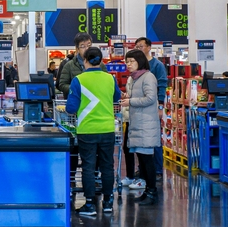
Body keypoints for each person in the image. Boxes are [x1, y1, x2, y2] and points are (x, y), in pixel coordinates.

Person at [66, 47, 121, 217]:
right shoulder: (110, 79)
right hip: (107, 129)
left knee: (88, 167)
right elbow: (116, 97)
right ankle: (108, 202)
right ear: (101, 61)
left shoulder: (78, 80)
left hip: (87, 130)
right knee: (107, 166)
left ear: (85, 61)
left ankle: (89, 204)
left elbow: (71, 108)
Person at [120, 50, 160, 206]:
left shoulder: (148, 77)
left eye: (132, 61)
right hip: (137, 123)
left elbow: (150, 98)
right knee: (142, 160)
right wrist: (128, 98)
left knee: (147, 160)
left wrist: (130, 101)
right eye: (127, 61)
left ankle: (152, 192)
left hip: (146, 124)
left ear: (140, 61)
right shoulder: (134, 78)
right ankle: (147, 191)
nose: (128, 64)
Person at [134, 37, 168, 185]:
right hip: (140, 108)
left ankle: (158, 170)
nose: (138, 49)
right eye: (136, 46)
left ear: (149, 47)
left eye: (141, 46)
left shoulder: (157, 65)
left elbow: (162, 85)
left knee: (155, 139)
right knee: (142, 139)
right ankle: (142, 169)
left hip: (153, 107)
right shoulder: (138, 66)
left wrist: (160, 106)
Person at [59, 33, 106, 97]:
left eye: (89, 45)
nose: (87, 49)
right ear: (77, 49)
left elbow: (106, 81)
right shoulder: (69, 65)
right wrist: (77, 89)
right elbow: (62, 85)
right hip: (77, 99)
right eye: (83, 46)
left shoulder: (100, 64)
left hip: (96, 99)